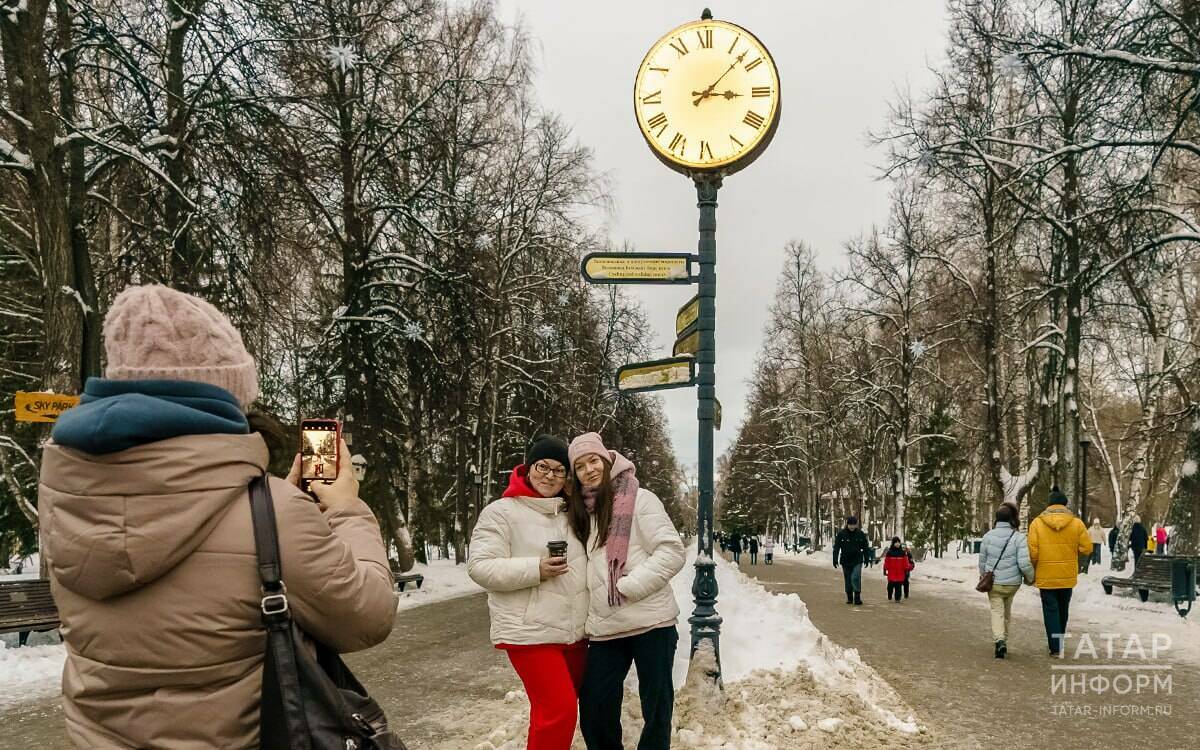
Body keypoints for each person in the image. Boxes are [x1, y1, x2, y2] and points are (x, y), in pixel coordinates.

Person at [39, 285, 396, 748]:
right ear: (220, 395)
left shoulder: (68, 500)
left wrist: (274, 510)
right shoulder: (274, 513)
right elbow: (367, 615)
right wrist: (346, 508)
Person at [467, 435, 587, 750]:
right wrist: (536, 569)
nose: (549, 475)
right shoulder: (501, 512)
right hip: (529, 632)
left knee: (557, 711)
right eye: (542, 467)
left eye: (559, 470)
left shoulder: (571, 512)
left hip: (574, 633)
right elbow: (480, 566)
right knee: (558, 712)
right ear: (528, 468)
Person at [567, 433, 685, 750]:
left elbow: (672, 551)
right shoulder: (581, 514)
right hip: (606, 629)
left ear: (607, 460)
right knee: (594, 709)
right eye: (580, 466)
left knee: (657, 710)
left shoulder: (640, 498)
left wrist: (629, 586)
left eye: (593, 460)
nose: (589, 469)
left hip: (652, 623)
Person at [1028, 486, 1092, 657]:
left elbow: (1032, 552)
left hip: (1045, 573)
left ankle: (1055, 647)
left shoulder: (1037, 523)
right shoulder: (1077, 523)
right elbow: (1087, 547)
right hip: (1067, 573)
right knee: (1064, 608)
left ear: (1049, 504)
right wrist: (1073, 551)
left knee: (1050, 609)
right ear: (1065, 504)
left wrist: (1034, 567)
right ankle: (1060, 640)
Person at [979, 505, 1035, 659]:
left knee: (997, 611)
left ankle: (999, 640)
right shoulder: (1018, 538)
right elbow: (1024, 563)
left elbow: (982, 562)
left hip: (994, 583)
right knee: (1006, 611)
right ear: (1012, 519)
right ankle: (1004, 638)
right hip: (1012, 584)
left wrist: (983, 576)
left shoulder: (988, 536)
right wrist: (1031, 578)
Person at [833, 516, 870, 605]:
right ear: (847, 524)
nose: (852, 527)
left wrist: (866, 558)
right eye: (850, 525)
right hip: (845, 560)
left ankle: (857, 597)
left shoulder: (860, 534)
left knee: (855, 577)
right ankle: (849, 597)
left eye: (854, 525)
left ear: (856, 525)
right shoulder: (842, 534)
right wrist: (835, 559)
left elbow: (865, 547)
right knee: (848, 579)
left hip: (857, 560)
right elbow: (837, 548)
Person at [882, 537, 913, 602]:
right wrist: (885, 569)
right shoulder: (889, 553)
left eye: (898, 542)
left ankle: (897, 598)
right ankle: (889, 594)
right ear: (893, 543)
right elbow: (887, 562)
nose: (897, 544)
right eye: (896, 542)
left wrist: (907, 569)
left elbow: (905, 562)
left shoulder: (902, 553)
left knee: (898, 587)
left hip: (900, 573)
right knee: (890, 586)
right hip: (892, 573)